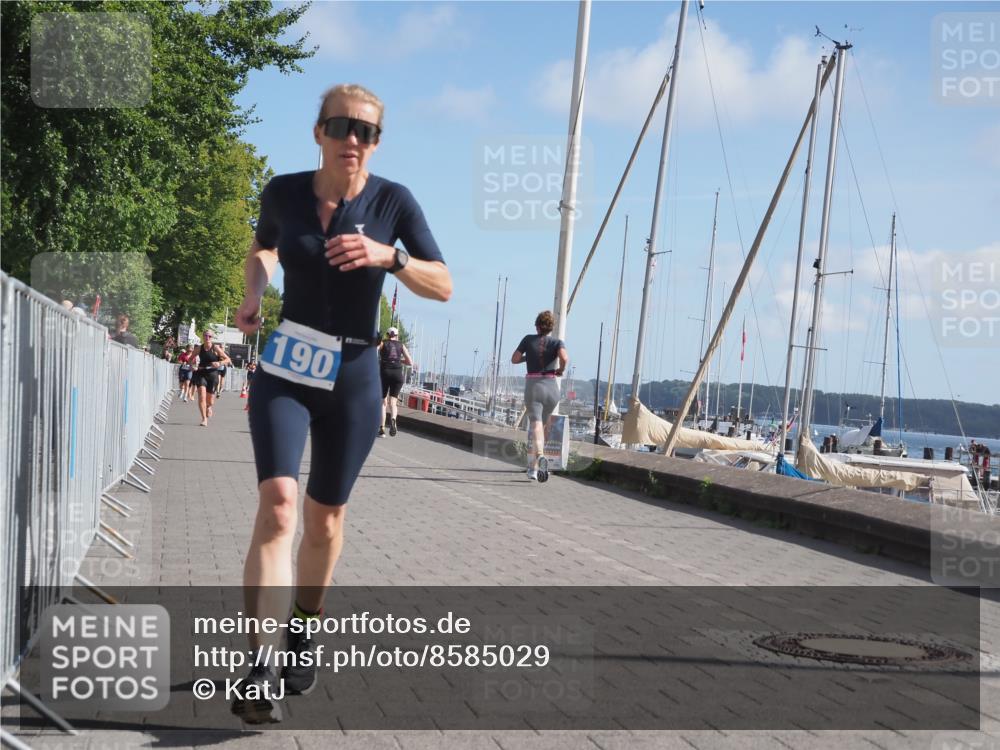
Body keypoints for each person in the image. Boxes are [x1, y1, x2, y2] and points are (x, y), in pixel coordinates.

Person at [232, 83, 451, 723]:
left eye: (368, 131)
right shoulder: (283, 192)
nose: (354, 140)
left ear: (376, 142)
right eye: (342, 127)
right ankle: (260, 667)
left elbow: (443, 283)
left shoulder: (393, 202)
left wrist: (391, 256)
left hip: (355, 372)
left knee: (324, 520)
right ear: (318, 132)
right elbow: (265, 247)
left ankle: (305, 622)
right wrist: (254, 291)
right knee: (278, 507)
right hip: (288, 364)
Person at [511, 310, 568, 482]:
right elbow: (565, 358)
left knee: (535, 426)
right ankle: (534, 467)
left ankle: (539, 460)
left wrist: (527, 358)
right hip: (552, 388)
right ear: (551, 328)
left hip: (534, 386)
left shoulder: (528, 339)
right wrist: (560, 370)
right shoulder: (558, 342)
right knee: (542, 428)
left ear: (537, 326)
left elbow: (514, 359)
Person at [190, 329, 231, 427]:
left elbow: (228, 359)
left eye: (209, 336)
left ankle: (209, 407)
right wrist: (192, 366)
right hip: (201, 373)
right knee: (201, 396)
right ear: (203, 337)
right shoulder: (199, 348)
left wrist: (219, 363)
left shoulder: (215, 348)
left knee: (210, 401)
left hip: (212, 375)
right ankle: (204, 419)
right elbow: (190, 359)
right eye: (205, 336)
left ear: (212, 338)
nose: (207, 338)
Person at [377, 326, 412, 437]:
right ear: (397, 336)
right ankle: (393, 419)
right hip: (397, 375)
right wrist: (398, 360)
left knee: (383, 402)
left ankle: (382, 429)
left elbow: (373, 350)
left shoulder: (383, 343)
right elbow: (410, 362)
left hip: (385, 373)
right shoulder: (401, 345)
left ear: (387, 335)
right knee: (393, 402)